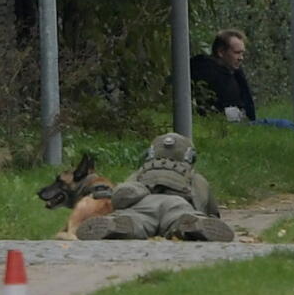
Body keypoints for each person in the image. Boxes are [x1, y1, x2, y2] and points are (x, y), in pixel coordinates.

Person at [75, 132, 234, 242]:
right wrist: (208, 216)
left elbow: (125, 191)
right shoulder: (195, 177)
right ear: (190, 156)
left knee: (136, 220)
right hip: (177, 203)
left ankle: (119, 224)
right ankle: (190, 224)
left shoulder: (141, 172)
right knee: (178, 218)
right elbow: (207, 204)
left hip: (143, 203)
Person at [190, 29, 256, 122]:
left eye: (242, 53)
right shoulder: (204, 71)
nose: (241, 58)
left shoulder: (235, 71)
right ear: (221, 52)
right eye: (237, 53)